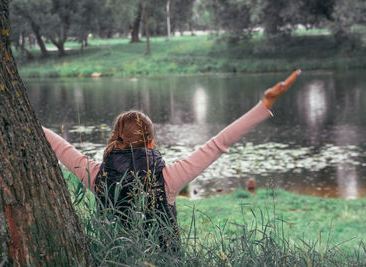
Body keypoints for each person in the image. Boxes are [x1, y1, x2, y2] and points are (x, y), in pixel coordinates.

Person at [42, 69, 301, 247]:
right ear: (152, 143)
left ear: (115, 138)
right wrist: (264, 104)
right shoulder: (167, 178)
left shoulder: (96, 176)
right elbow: (218, 143)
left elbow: (58, 145)